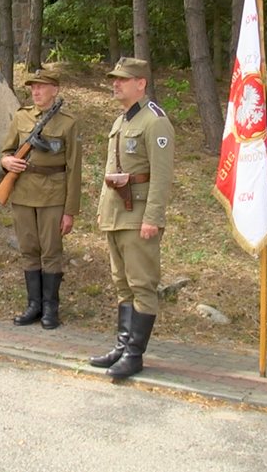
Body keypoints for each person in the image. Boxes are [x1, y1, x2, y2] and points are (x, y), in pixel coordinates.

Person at [89, 57, 174, 379]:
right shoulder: (122, 121)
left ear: (141, 83)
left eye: (123, 79)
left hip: (139, 216)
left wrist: (152, 217)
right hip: (116, 214)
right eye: (114, 79)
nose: (115, 83)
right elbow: (112, 169)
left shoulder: (155, 121)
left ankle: (135, 354)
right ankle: (122, 346)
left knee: (141, 285)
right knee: (122, 285)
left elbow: (162, 176)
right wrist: (102, 208)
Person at [0, 67, 83, 330]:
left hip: (53, 195)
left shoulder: (68, 122)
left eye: (41, 86)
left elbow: (74, 168)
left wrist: (70, 210)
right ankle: (33, 306)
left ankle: (50, 309)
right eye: (33, 87)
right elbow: (6, 151)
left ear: (54, 90)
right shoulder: (21, 117)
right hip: (23, 193)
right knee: (28, 250)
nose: (35, 91)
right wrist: (7, 162)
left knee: (51, 252)